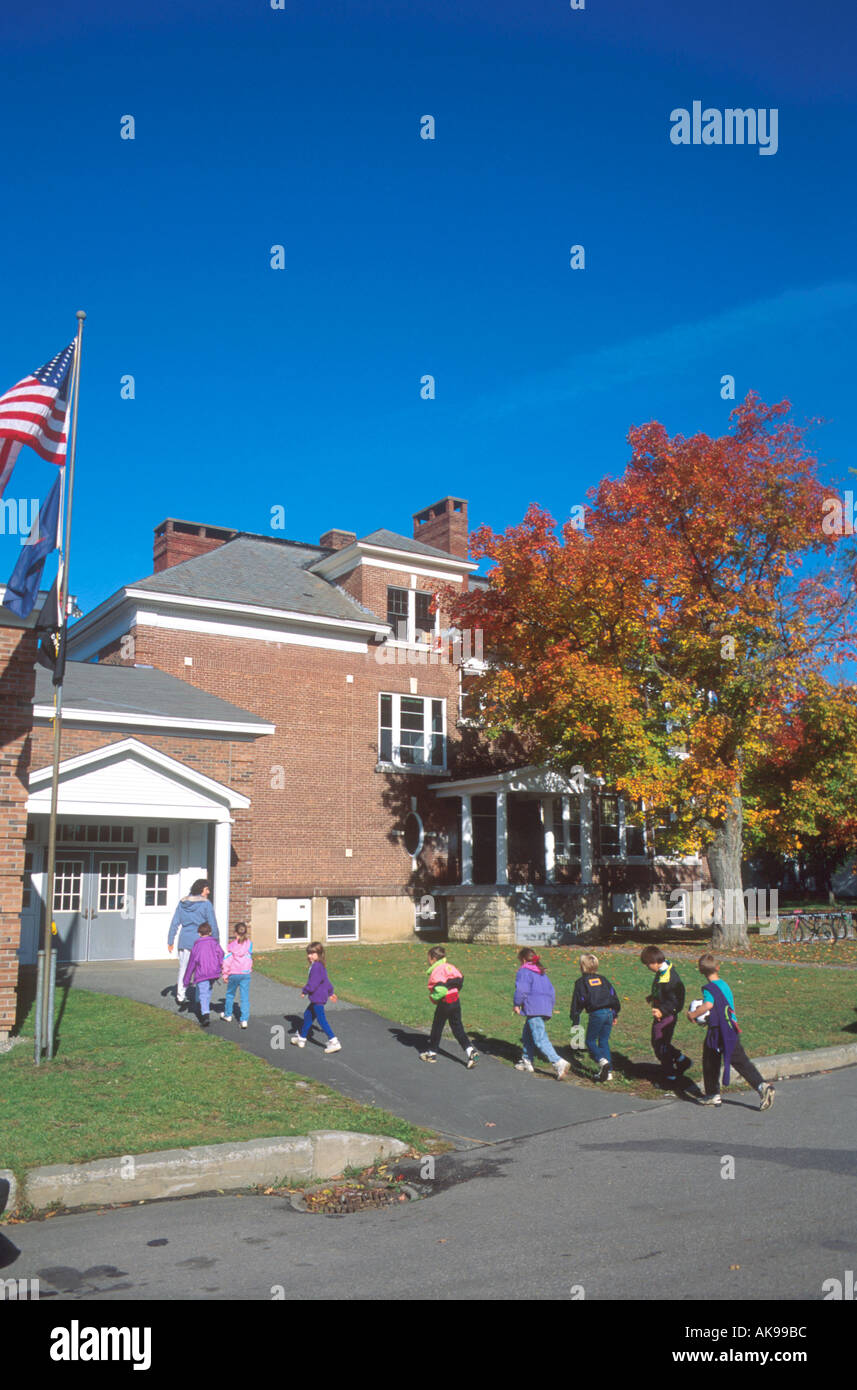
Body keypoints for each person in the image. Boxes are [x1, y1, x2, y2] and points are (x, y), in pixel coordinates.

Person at [688, 953, 775, 1110]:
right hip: (731, 1028)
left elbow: (708, 1005)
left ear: (700, 971)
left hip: (718, 1032)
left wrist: (693, 1014)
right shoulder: (724, 984)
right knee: (739, 1061)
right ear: (718, 968)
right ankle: (760, 1086)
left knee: (710, 1061)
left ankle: (715, 1094)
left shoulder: (709, 988)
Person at [514, 948, 570, 1080]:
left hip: (534, 1008)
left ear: (523, 960)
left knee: (539, 1038)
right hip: (545, 1007)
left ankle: (558, 1062)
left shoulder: (524, 971)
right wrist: (550, 1007)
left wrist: (517, 1004)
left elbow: (521, 990)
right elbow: (552, 991)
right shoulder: (542, 973)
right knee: (527, 1034)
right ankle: (527, 1060)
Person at [639, 944, 692, 1084]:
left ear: (654, 962)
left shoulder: (670, 978)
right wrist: (653, 996)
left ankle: (670, 1076)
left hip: (667, 1017)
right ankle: (682, 1060)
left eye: (647, 965)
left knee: (660, 1045)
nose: (647, 968)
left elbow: (676, 1002)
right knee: (661, 1043)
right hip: (661, 1015)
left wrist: (662, 1010)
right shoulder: (662, 972)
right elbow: (662, 991)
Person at [420, 946, 478, 1068]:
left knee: (437, 1027)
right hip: (455, 1000)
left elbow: (440, 990)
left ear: (434, 958)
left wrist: (433, 998)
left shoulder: (437, 971)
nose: (427, 961)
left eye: (429, 958)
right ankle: (470, 1051)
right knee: (458, 1028)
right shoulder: (450, 967)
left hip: (445, 1002)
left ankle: (431, 1053)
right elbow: (460, 979)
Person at [167, 879, 220, 1012]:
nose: (208, 892)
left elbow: (175, 922)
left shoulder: (182, 902)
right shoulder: (206, 904)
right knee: (200, 970)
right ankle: (198, 998)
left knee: (183, 968)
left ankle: (180, 995)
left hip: (185, 940)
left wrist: (170, 940)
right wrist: (216, 941)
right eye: (207, 889)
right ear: (202, 889)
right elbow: (212, 924)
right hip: (200, 942)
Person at [570, 952, 621, 1082]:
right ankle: (608, 1073)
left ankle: (602, 1062)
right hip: (609, 1012)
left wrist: (575, 1017)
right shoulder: (603, 979)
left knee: (590, 1041)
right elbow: (613, 996)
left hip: (596, 1014)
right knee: (603, 1041)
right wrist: (615, 1013)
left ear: (582, 966)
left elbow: (578, 1001)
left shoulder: (581, 983)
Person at [290, 943, 341, 1053]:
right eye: (308, 953)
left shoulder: (317, 967)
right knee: (307, 1015)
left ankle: (334, 1041)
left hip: (318, 997)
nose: (310, 956)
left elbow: (313, 983)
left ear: (319, 954)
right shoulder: (319, 966)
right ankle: (301, 1038)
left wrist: (305, 991)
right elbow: (326, 981)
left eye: (313, 953)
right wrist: (330, 992)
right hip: (318, 997)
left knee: (321, 1020)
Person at [182, 923, 224, 1027]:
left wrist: (186, 980)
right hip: (213, 972)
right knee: (207, 990)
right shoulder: (214, 943)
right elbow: (221, 954)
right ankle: (204, 1007)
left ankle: (205, 1015)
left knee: (204, 993)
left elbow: (192, 963)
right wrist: (220, 966)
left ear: (199, 933)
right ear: (210, 933)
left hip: (202, 973)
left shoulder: (197, 946)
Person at [220, 922, 253, 1028]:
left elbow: (227, 961)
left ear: (235, 933)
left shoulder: (231, 946)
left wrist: (225, 975)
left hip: (234, 973)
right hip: (246, 973)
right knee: (244, 997)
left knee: (230, 994)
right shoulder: (249, 944)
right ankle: (244, 1020)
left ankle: (228, 1014)